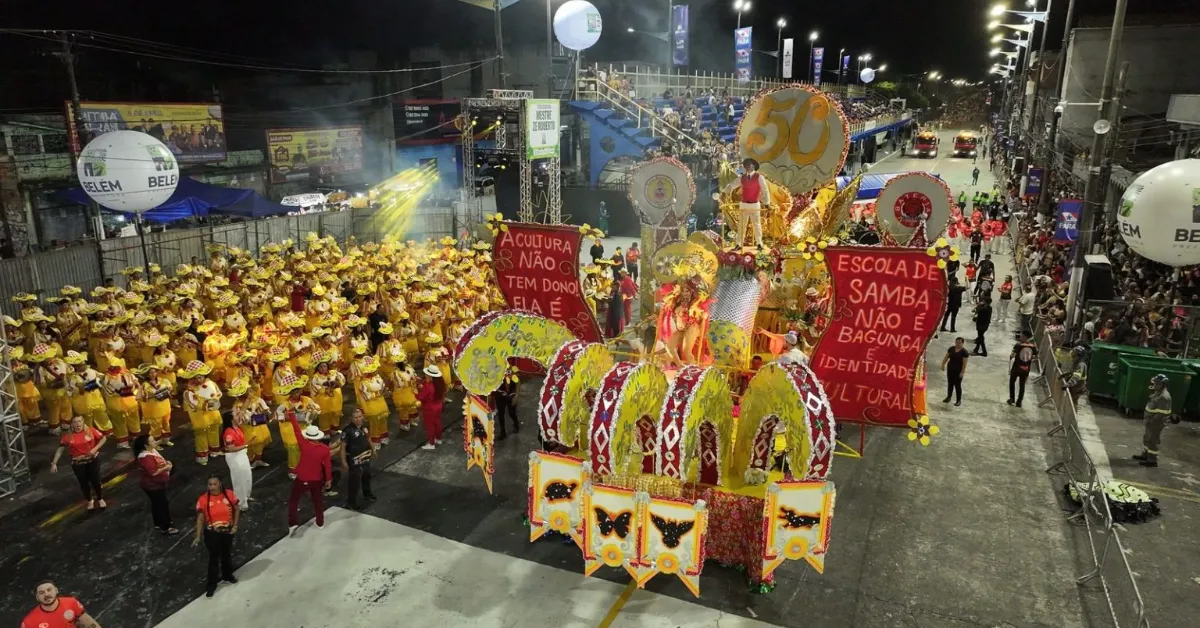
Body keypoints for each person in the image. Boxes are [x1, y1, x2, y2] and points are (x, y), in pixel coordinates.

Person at [285, 406, 332, 534]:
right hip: (316, 479)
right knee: (317, 501)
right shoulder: (324, 449)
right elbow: (327, 465)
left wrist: (291, 414)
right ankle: (320, 522)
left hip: (301, 478)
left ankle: (293, 523)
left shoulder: (304, 444)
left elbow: (296, 431)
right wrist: (328, 479)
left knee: (293, 501)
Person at [192, 474, 239, 597]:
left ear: (220, 484)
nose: (212, 487)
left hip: (227, 532)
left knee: (226, 554)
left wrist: (235, 526)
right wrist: (198, 535)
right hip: (212, 534)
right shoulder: (203, 499)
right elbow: (200, 519)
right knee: (214, 558)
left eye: (214, 484)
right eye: (210, 484)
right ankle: (211, 585)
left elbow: (237, 509)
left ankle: (227, 575)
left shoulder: (229, 494)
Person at [50, 415, 108, 512]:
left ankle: (100, 498)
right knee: (83, 483)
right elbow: (60, 449)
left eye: (79, 421)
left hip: (92, 460)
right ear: (72, 424)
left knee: (96, 480)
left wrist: (94, 449)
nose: (78, 424)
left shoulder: (90, 430)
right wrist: (54, 463)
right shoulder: (68, 436)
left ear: (83, 422)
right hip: (78, 463)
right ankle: (90, 500)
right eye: (75, 422)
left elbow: (103, 438)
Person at [721, 157, 770, 250]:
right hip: (744, 204)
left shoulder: (759, 177)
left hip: (755, 204)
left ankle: (759, 243)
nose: (747, 167)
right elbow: (732, 184)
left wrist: (767, 203)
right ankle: (739, 244)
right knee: (741, 225)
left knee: (757, 225)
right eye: (746, 165)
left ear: (754, 166)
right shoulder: (742, 178)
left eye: (749, 165)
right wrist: (724, 191)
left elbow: (765, 190)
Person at [133, 434, 177, 535]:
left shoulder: (151, 451)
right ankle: (165, 527)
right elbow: (153, 472)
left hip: (156, 483)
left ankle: (158, 523)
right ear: (145, 445)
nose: (154, 442)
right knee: (162, 505)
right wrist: (166, 468)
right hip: (152, 485)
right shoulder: (145, 458)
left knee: (157, 504)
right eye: (152, 441)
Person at [1134, 373, 1174, 468]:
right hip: (1150, 422)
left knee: (1152, 441)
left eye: (1157, 384)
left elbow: (1161, 414)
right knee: (1147, 439)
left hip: (1155, 423)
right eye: (1155, 383)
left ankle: (1152, 460)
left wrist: (1152, 422)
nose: (1155, 385)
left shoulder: (1164, 397)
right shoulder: (1158, 393)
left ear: (1163, 385)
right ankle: (1146, 455)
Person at [341, 408, 377, 510]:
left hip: (365, 456)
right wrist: (343, 462)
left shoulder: (364, 426)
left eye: (360, 417)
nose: (358, 419)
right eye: (355, 417)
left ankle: (367, 493)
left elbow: (368, 438)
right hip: (354, 459)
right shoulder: (347, 430)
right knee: (354, 481)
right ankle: (351, 502)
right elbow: (342, 446)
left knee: (367, 475)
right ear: (351, 419)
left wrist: (373, 449)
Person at [23, 581, 102, 628]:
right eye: (41, 593)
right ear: (37, 597)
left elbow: (88, 623)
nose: (46, 594)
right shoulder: (29, 622)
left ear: (56, 590)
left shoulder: (71, 603)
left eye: (49, 590)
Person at [222, 394, 253, 511]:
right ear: (231, 419)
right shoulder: (229, 433)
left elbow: (243, 410)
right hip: (235, 456)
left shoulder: (235, 424)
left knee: (247, 475)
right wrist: (246, 445)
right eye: (235, 415)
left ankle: (246, 496)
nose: (239, 415)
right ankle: (241, 503)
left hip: (242, 453)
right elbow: (230, 449)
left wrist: (249, 399)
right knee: (239, 479)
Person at [417, 365, 446, 450]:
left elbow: (420, 397)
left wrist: (413, 393)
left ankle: (431, 443)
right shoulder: (439, 383)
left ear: (430, 375)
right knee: (437, 422)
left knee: (430, 425)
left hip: (429, 408)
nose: (425, 375)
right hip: (438, 406)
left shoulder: (428, 386)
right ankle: (438, 438)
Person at [1007, 330, 1038, 407]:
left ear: (1025, 336)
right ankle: (1019, 401)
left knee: (1012, 383)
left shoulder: (1018, 345)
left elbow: (1012, 355)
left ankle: (1012, 398)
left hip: (1016, 367)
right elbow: (1036, 357)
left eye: (1021, 335)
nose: (1020, 336)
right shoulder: (1033, 346)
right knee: (1022, 385)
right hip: (1026, 368)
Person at [941, 337, 970, 406]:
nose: (957, 344)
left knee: (957, 385)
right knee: (950, 383)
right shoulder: (951, 348)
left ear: (962, 343)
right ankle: (948, 397)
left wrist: (962, 372)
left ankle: (958, 400)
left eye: (959, 342)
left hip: (958, 370)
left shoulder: (964, 352)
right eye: (956, 342)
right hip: (950, 369)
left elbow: (964, 364)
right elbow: (946, 356)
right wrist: (943, 364)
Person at [492, 368, 520, 440]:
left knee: (511, 412)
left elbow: (518, 382)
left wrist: (516, 396)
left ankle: (516, 422)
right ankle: (503, 431)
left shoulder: (512, 368)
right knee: (501, 414)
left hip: (511, 393)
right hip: (500, 394)